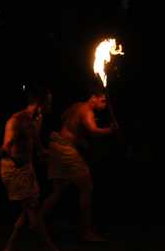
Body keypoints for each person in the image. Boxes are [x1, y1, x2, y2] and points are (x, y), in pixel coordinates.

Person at [0, 87, 72, 251]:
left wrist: (43, 152)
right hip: (13, 170)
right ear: (40, 103)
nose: (51, 105)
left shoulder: (37, 119)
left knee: (28, 211)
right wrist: (11, 156)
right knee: (33, 213)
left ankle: (8, 249)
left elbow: (34, 140)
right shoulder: (16, 120)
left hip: (27, 168)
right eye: (49, 101)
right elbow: (5, 147)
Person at [39, 87, 118, 242]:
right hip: (66, 150)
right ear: (93, 98)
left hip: (57, 146)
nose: (104, 105)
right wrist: (110, 130)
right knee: (86, 187)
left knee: (58, 190)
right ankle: (86, 231)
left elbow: (64, 117)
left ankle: (37, 222)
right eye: (103, 101)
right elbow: (93, 130)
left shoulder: (77, 106)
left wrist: (78, 136)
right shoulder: (87, 111)